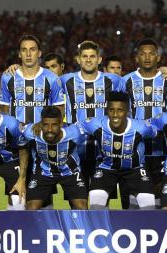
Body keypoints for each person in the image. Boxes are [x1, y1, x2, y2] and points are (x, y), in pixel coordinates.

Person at [0, 35, 65, 210]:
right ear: (19, 54)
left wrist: (44, 127)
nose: (28, 54)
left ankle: (44, 231)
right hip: (16, 143)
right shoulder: (8, 77)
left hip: (42, 142)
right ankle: (16, 230)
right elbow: (4, 111)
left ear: (39, 53)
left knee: (44, 191)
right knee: (15, 191)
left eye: (32, 49)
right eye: (24, 50)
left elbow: (59, 110)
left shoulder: (51, 78)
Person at [60, 40, 126, 207]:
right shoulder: (64, 81)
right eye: (85, 56)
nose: (88, 60)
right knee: (76, 203)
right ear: (78, 59)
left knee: (101, 202)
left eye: (92, 56)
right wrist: (15, 70)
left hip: (103, 150)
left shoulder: (113, 81)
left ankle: (102, 231)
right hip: (75, 150)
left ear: (99, 59)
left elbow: (125, 109)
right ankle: (77, 232)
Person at [123, 38, 167, 209]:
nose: (147, 57)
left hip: (162, 147)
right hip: (135, 147)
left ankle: (158, 228)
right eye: (142, 54)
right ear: (136, 58)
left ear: (158, 58)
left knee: (160, 191)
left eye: (151, 54)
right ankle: (134, 227)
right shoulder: (126, 81)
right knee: (136, 192)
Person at [80, 91, 157, 210]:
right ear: (107, 111)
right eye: (111, 110)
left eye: (120, 110)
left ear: (127, 112)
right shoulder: (94, 124)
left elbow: (155, 132)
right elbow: (73, 130)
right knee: (96, 206)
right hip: (106, 168)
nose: (115, 114)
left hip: (135, 169)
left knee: (149, 206)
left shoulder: (141, 127)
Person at [23, 106, 87, 210]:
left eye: (54, 125)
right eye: (45, 125)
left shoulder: (75, 133)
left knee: (82, 208)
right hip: (43, 172)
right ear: (41, 124)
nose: (49, 129)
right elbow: (18, 128)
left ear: (61, 124)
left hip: (70, 172)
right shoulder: (31, 133)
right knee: (31, 208)